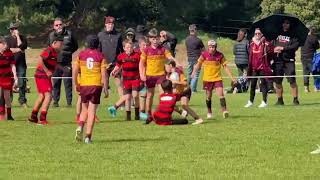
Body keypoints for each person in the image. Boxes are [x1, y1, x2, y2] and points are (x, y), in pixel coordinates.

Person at [73, 35, 108, 144]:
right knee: (92, 111)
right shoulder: (101, 56)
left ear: (87, 44)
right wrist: (105, 87)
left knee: (84, 109)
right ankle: (88, 137)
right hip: (96, 85)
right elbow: (104, 73)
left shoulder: (81, 55)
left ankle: (80, 126)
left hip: (84, 85)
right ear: (98, 44)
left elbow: (74, 70)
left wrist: (75, 83)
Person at [192, 40, 236, 119]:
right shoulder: (204, 55)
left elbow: (225, 67)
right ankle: (209, 111)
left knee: (221, 94)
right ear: (208, 47)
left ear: (216, 47)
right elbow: (198, 65)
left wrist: (232, 78)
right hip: (207, 79)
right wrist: (193, 73)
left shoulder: (220, 55)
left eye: (213, 47)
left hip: (217, 78)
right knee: (208, 96)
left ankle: (224, 111)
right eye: (210, 47)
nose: (212, 49)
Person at [139, 28, 177, 121]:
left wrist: (177, 62)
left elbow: (170, 57)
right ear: (150, 39)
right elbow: (141, 63)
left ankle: (163, 113)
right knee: (150, 95)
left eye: (156, 38)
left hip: (161, 75)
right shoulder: (146, 50)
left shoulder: (163, 49)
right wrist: (142, 75)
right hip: (150, 75)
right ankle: (148, 114)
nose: (155, 41)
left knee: (163, 94)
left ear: (159, 38)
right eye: (153, 39)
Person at [28, 36, 63, 125]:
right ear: (54, 43)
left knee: (42, 96)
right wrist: (47, 71)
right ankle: (42, 118)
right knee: (49, 96)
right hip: (42, 74)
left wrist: (64, 69)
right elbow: (40, 59)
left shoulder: (55, 52)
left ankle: (33, 116)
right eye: (60, 44)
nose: (61, 46)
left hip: (42, 75)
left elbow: (53, 64)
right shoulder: (49, 50)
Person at [108, 40, 141, 121]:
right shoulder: (121, 56)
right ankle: (128, 116)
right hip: (126, 80)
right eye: (127, 47)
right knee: (128, 97)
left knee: (135, 95)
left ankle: (137, 114)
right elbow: (118, 65)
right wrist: (114, 70)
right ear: (124, 48)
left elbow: (142, 65)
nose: (129, 49)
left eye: (131, 47)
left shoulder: (137, 55)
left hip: (136, 79)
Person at [49, 18, 78, 107]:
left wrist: (68, 53)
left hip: (66, 63)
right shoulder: (51, 35)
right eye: (56, 25)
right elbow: (49, 47)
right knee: (56, 83)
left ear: (63, 25)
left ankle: (69, 103)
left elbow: (75, 46)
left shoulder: (69, 34)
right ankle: (55, 102)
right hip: (55, 63)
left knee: (67, 83)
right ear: (54, 27)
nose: (59, 26)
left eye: (60, 24)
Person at [165, 61, 204, 125]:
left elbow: (185, 83)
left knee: (184, 105)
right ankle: (179, 113)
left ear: (171, 66)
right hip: (177, 93)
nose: (165, 68)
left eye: (166, 66)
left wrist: (175, 82)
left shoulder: (179, 72)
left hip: (185, 92)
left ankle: (198, 119)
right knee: (169, 103)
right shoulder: (168, 73)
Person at [244, 28, 274, 108]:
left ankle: (264, 101)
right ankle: (250, 101)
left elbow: (271, 53)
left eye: (259, 33)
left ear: (262, 34)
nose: (257, 35)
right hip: (254, 67)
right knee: (253, 84)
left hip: (263, 67)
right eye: (256, 33)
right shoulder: (251, 44)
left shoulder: (266, 44)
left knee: (263, 84)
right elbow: (249, 54)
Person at [273, 19, 300, 105]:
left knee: (292, 80)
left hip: (289, 61)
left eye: (287, 23)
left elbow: (295, 46)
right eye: (284, 23)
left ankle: (295, 99)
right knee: (278, 81)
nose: (285, 24)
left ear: (290, 24)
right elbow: (272, 44)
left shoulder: (293, 34)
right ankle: (280, 100)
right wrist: (274, 49)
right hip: (278, 60)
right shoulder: (277, 33)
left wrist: (283, 48)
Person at [98, 16, 123, 99]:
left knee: (119, 83)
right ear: (105, 24)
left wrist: (120, 63)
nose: (111, 25)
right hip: (104, 64)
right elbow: (98, 50)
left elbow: (121, 51)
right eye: (109, 23)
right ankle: (98, 102)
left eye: (112, 24)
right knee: (102, 84)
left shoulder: (118, 35)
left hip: (115, 64)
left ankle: (122, 103)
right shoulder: (100, 35)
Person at [5, 22, 28, 107]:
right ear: (10, 30)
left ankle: (22, 101)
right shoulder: (6, 39)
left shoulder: (23, 38)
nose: (14, 30)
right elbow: (7, 50)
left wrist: (18, 36)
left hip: (21, 64)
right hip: (10, 64)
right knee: (9, 83)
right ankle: (9, 102)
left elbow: (22, 46)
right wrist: (19, 49)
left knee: (22, 83)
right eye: (12, 29)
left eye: (15, 28)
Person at [0, 37, 18, 121]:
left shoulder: (9, 53)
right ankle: (1, 113)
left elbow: (12, 65)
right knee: (0, 95)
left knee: (7, 96)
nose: (6, 46)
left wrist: (15, 76)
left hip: (7, 77)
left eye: (6, 44)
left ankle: (9, 115)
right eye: (5, 44)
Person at [185, 24, 205, 93]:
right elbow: (203, 50)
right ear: (195, 30)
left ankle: (187, 87)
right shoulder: (198, 40)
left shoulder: (186, 39)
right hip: (197, 59)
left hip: (189, 59)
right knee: (195, 75)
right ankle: (193, 90)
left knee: (189, 74)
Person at [301, 25, 319, 92]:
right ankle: (316, 87)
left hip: (303, 57)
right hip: (311, 57)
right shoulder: (314, 38)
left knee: (305, 73)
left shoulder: (302, 37)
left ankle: (306, 88)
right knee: (315, 72)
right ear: (311, 30)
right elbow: (317, 47)